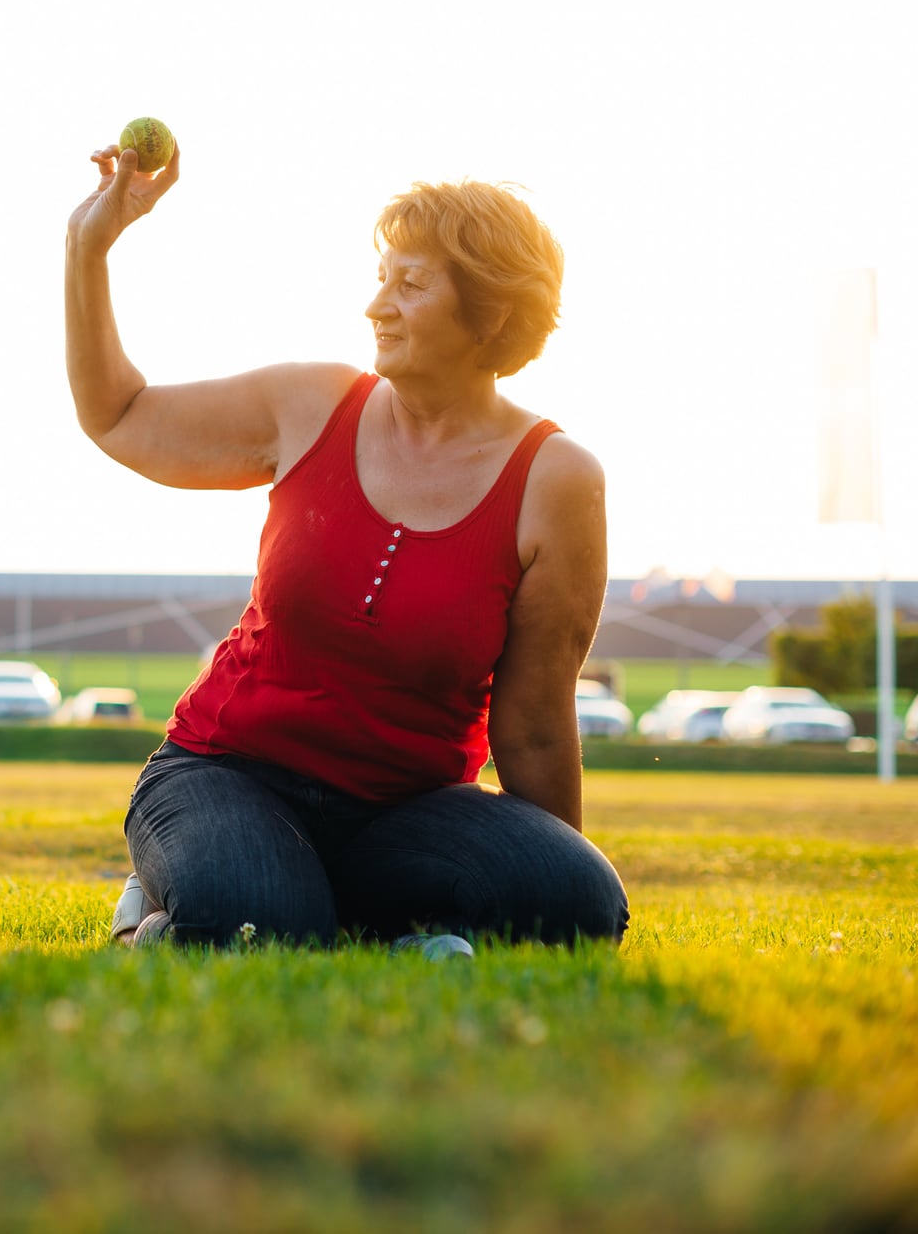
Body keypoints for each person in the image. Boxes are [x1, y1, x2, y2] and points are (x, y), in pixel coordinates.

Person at [64, 139, 627, 951]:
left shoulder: (557, 478)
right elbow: (119, 417)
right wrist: (89, 247)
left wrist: (542, 878)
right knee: (262, 925)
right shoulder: (310, 404)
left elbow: (535, 723)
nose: (376, 307)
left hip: (407, 813)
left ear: (490, 313)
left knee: (577, 901)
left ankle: (280, 915)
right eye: (380, 280)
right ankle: (193, 900)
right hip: (229, 772)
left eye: (411, 285)